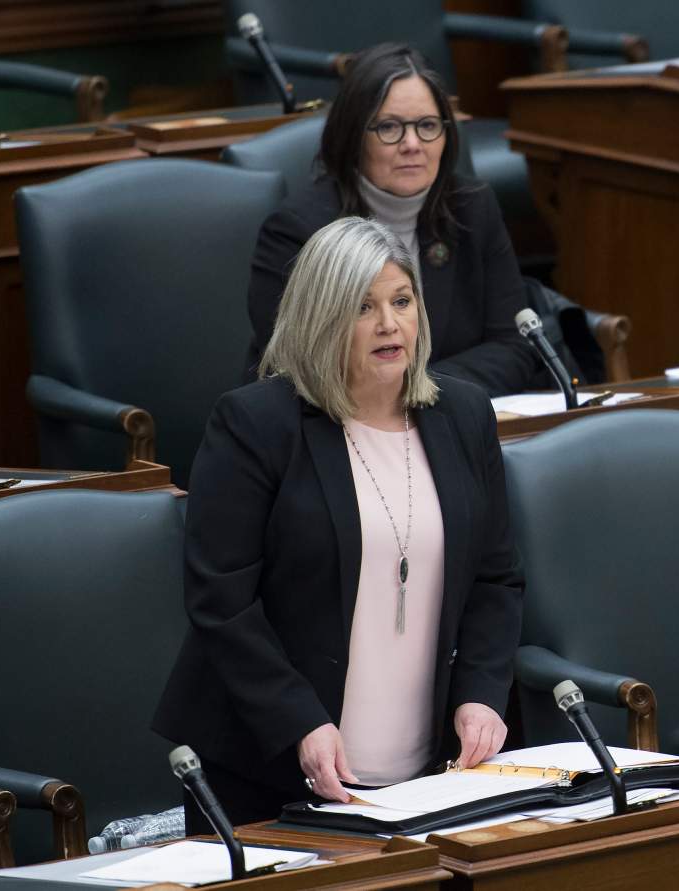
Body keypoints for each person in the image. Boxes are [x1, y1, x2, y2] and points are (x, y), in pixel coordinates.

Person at [154, 216, 524, 830]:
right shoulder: (256, 425)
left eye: (402, 301)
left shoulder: (464, 415)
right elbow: (221, 600)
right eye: (363, 307)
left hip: (430, 774)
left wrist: (481, 693)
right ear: (322, 317)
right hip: (269, 767)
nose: (389, 323)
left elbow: (495, 578)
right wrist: (298, 719)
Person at [245, 42, 540, 396]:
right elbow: (298, 368)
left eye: (428, 125)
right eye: (389, 127)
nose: (413, 144)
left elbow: (514, 347)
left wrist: (424, 396)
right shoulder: (299, 231)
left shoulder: (472, 208)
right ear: (353, 135)